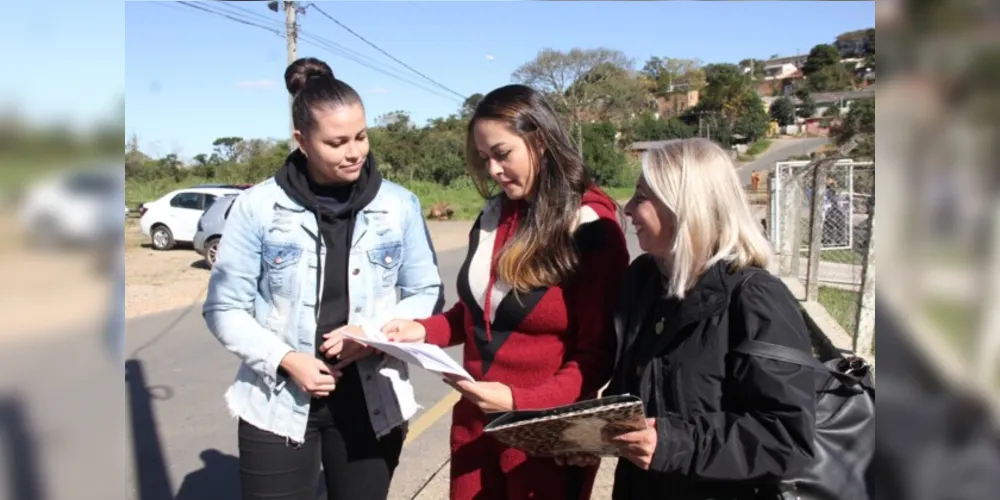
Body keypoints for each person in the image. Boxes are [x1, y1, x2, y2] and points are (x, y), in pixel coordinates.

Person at [203, 57, 444, 500]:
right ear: (302, 141)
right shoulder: (257, 207)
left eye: (361, 136)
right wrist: (286, 359)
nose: (354, 152)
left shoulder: (399, 205)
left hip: (372, 401)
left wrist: (369, 337)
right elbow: (224, 307)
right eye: (336, 142)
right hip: (276, 400)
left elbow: (426, 291)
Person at [381, 84, 630, 500]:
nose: (494, 170)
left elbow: (597, 354)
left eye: (502, 154)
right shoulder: (495, 214)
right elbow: (481, 312)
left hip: (546, 438)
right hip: (476, 427)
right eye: (485, 159)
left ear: (541, 140)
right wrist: (422, 330)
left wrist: (521, 399)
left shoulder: (590, 226)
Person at [580, 138, 817, 499]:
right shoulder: (643, 282)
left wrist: (671, 445)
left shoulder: (755, 298)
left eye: (642, 197)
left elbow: (787, 439)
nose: (627, 209)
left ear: (685, 207)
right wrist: (586, 433)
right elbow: (631, 393)